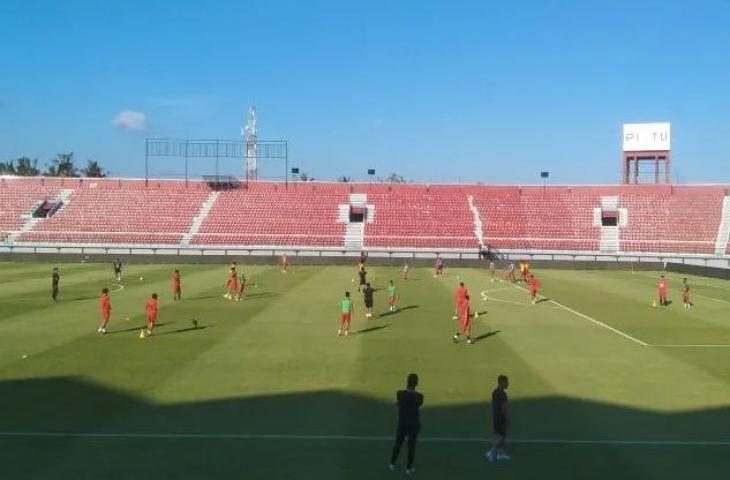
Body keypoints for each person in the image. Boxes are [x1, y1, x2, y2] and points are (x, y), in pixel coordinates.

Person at [389, 373, 423, 475]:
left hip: (402, 423)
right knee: (411, 446)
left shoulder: (399, 394)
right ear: (416, 383)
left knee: (398, 443)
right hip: (413, 424)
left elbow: (399, 403)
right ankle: (408, 468)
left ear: (407, 382)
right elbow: (418, 404)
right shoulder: (419, 397)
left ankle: (392, 464)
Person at [486, 375, 510, 462]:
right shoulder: (503, 394)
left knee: (498, 436)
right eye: (506, 382)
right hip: (501, 418)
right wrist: (507, 418)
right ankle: (493, 454)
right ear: (502, 382)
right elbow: (504, 407)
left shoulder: (494, 392)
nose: (508, 384)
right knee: (501, 437)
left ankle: (500, 453)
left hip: (495, 417)